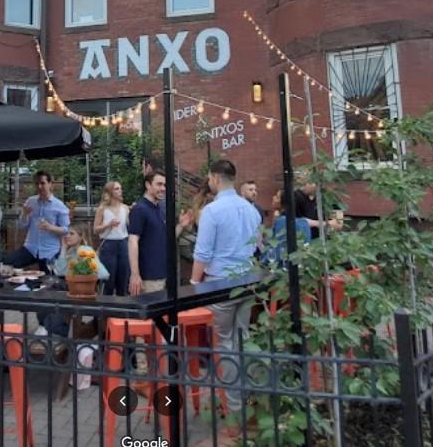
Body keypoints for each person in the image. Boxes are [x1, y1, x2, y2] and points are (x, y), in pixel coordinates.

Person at [190, 159, 262, 413]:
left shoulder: (212, 211)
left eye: (210, 178)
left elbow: (203, 253)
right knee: (243, 336)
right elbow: (257, 245)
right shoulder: (251, 210)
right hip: (247, 279)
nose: (209, 182)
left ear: (216, 178)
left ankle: (235, 405)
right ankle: (253, 394)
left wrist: (193, 283)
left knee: (226, 343)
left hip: (220, 283)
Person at [4, 172, 69, 271]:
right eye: (37, 183)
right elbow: (22, 226)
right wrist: (25, 214)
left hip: (49, 251)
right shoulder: (31, 201)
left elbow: (66, 230)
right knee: (7, 263)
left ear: (50, 184)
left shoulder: (59, 206)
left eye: (42, 183)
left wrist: (50, 227)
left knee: (50, 280)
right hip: (31, 248)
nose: (39, 186)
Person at [128, 170, 173, 295]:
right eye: (159, 184)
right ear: (148, 185)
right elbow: (132, 241)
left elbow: (163, 237)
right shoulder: (140, 209)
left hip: (162, 275)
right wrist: (135, 275)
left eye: (164, 185)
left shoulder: (160, 208)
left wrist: (182, 225)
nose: (163, 188)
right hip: (148, 278)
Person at [93, 181, 130, 296]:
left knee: (123, 280)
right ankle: (105, 311)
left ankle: (122, 311)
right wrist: (108, 224)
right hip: (108, 244)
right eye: (117, 189)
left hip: (123, 243)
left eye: (120, 188)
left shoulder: (125, 208)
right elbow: (95, 230)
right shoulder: (102, 209)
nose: (120, 191)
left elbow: (129, 227)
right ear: (110, 192)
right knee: (108, 281)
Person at [265, 189, 312, 267]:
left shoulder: (283, 221)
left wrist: (262, 262)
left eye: (277, 197)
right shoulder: (304, 223)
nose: (273, 198)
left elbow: (276, 249)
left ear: (284, 203)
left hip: (283, 268)